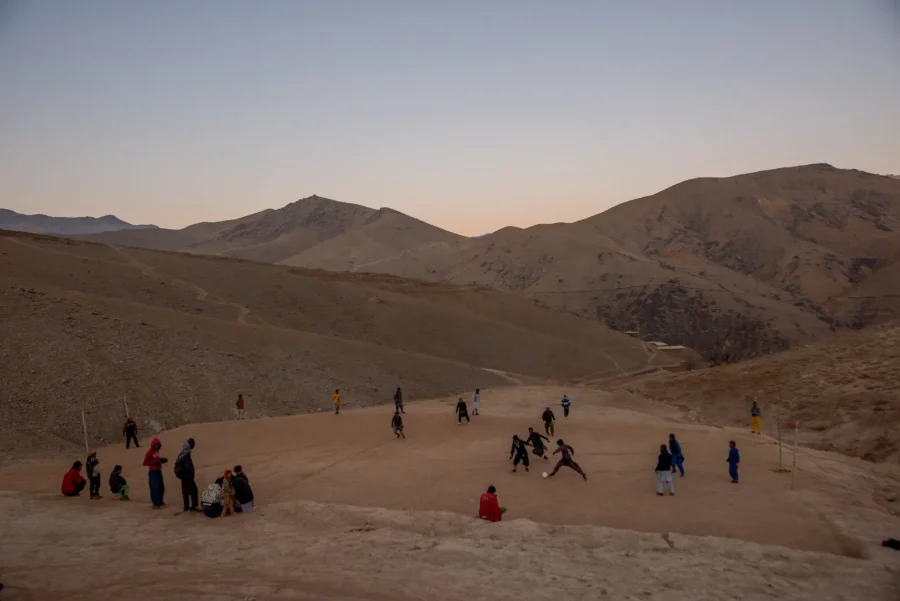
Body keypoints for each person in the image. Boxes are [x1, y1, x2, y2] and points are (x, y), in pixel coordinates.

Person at [174, 438, 199, 512]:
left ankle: (186, 506)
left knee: (185, 491)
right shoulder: (186, 455)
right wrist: (190, 475)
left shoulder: (181, 454)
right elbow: (188, 467)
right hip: (188, 476)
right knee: (193, 490)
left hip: (184, 476)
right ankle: (193, 507)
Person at [142, 437, 168, 509]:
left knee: (161, 487)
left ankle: (160, 501)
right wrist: (154, 462)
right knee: (154, 488)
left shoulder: (157, 451)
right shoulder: (149, 452)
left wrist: (160, 461)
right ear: (153, 445)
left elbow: (156, 459)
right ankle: (155, 503)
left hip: (158, 471)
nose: (157, 446)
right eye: (156, 445)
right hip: (153, 472)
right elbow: (145, 463)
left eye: (158, 445)